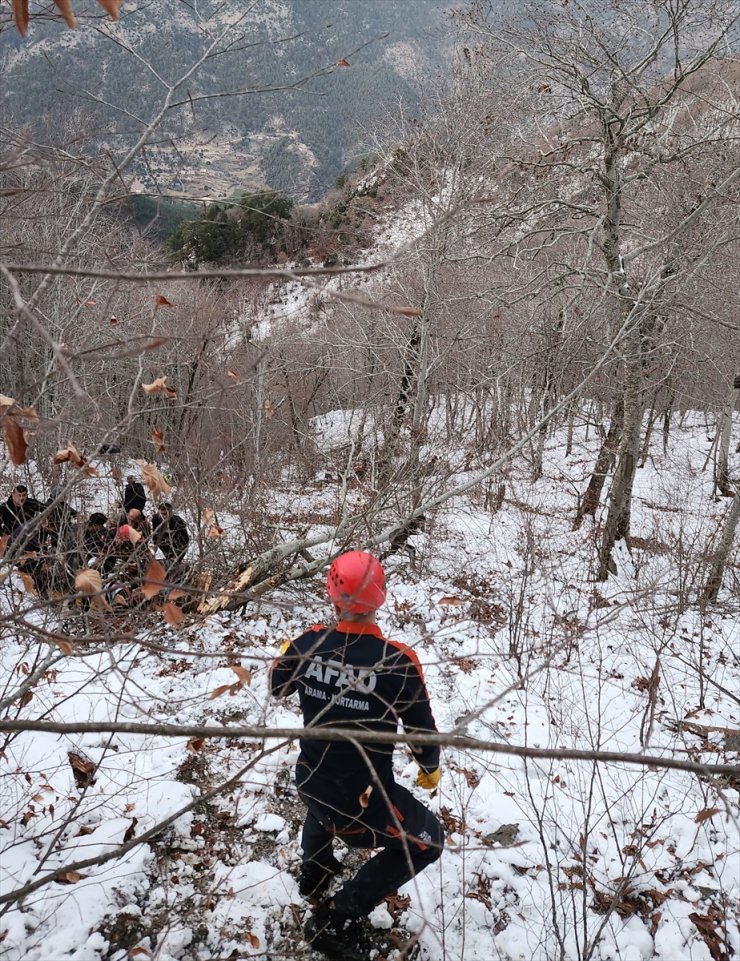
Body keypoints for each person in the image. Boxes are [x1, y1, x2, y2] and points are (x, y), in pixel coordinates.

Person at [269, 550, 444, 960]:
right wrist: (429, 768)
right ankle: (337, 915)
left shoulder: (309, 643)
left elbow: (277, 688)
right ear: (380, 597)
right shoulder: (399, 662)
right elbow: (421, 734)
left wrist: (288, 656)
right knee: (429, 841)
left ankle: (314, 870)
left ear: (332, 595)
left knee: (324, 795)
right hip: (360, 801)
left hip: (310, 779)